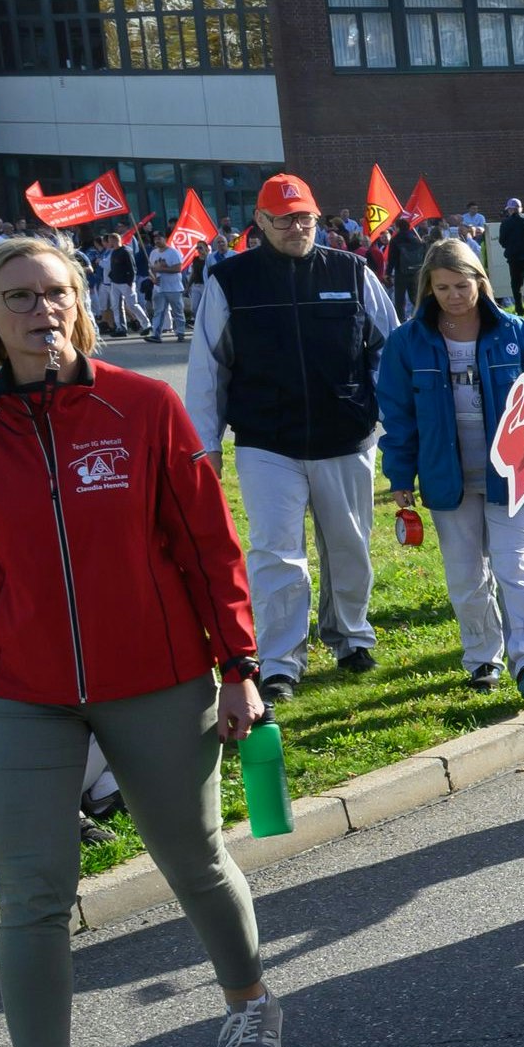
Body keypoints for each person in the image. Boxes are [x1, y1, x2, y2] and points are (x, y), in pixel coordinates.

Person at [0, 237, 279, 1047]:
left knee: (191, 855)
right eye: (19, 297)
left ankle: (247, 999)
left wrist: (238, 664)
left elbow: (208, 541)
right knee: (31, 895)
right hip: (13, 691)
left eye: (58, 293)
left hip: (155, 675)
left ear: (82, 302)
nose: (43, 311)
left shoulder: (143, 404)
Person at [185, 175, 399, 700]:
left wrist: (396, 425)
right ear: (260, 223)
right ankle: (281, 660)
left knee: (349, 548)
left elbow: (388, 350)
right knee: (276, 552)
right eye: (283, 219)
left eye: (304, 217)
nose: (297, 227)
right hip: (266, 441)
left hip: (346, 436)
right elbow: (207, 367)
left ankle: (350, 636)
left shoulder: (352, 271)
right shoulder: (231, 280)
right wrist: (205, 443)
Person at [377, 239, 524, 698]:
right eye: (442, 288)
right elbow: (397, 414)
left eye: (462, 284)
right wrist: (399, 476)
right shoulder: (407, 343)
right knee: (465, 574)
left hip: (514, 475)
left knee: (515, 566)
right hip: (445, 476)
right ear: (428, 289)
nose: (454, 295)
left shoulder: (521, 334)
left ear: (481, 280)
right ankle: (482, 659)